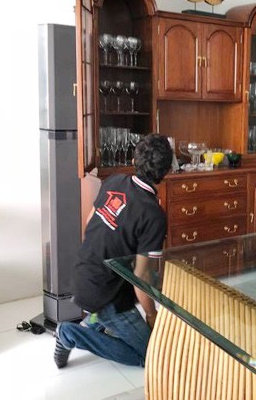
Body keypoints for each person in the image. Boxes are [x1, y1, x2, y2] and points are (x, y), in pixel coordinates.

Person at [53, 133, 174, 369]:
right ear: (167, 171)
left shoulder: (115, 181)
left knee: (137, 281)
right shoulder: (154, 214)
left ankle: (94, 320)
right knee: (149, 356)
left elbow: (89, 223)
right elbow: (142, 277)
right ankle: (70, 334)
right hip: (107, 294)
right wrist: (151, 315)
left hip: (83, 272)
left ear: (134, 160)